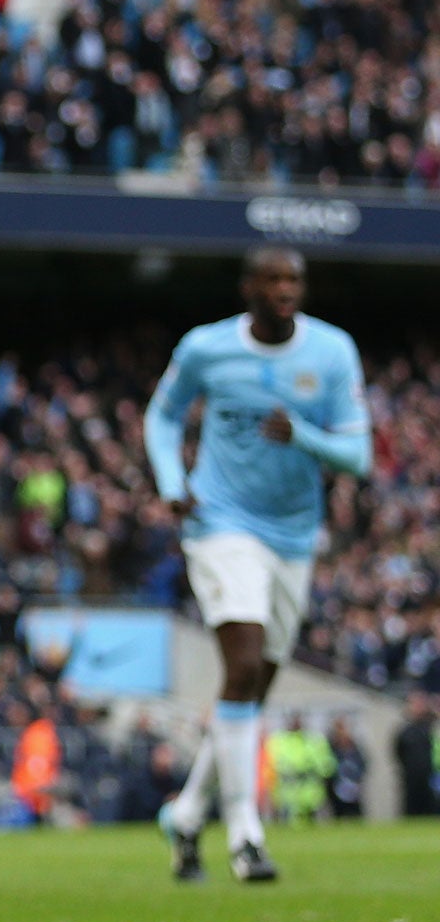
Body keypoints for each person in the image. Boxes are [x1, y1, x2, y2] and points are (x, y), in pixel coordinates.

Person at [147, 247, 370, 883]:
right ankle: (246, 833)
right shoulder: (205, 349)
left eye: (293, 279)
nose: (284, 288)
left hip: (295, 537)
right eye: (271, 278)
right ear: (247, 288)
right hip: (219, 521)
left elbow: (358, 456)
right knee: (241, 666)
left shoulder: (331, 353)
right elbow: (163, 416)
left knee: (252, 688)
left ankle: (187, 813)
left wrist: (303, 435)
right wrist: (171, 480)